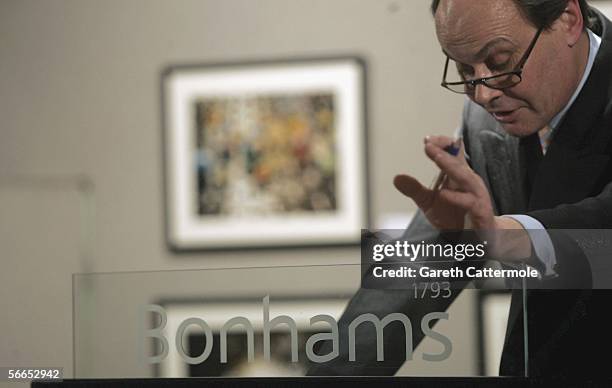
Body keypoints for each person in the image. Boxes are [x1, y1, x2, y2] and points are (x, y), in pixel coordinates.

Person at [308, 0, 612, 377]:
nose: (482, 95)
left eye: (500, 62)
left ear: (567, 19)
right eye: (464, 69)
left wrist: (506, 235)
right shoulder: (484, 120)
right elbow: (422, 264)